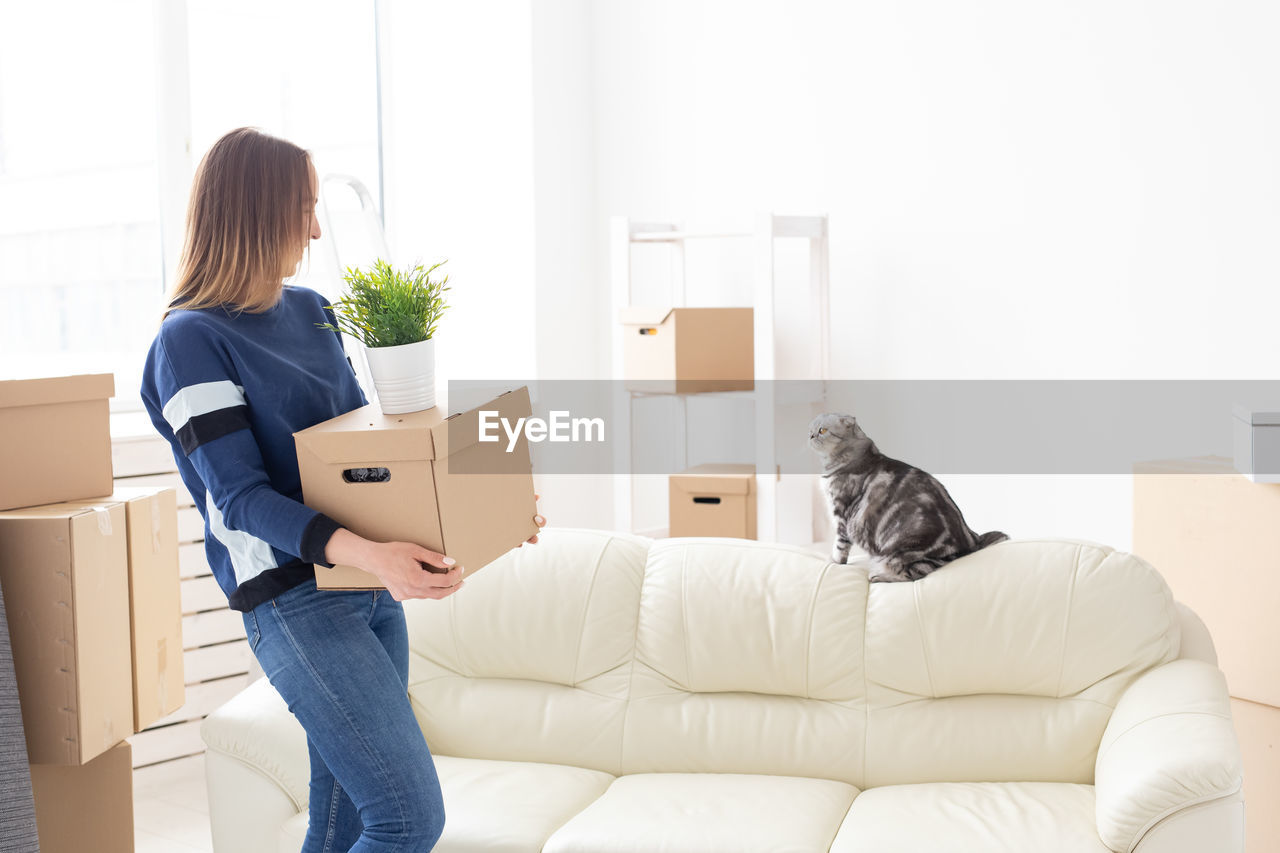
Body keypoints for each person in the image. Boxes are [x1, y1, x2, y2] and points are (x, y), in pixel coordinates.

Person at [140, 127, 544, 853]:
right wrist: (377, 556)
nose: (315, 226)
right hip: (293, 601)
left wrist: (490, 509)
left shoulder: (312, 310)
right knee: (407, 816)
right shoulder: (189, 340)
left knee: (345, 820)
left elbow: (370, 453)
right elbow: (240, 497)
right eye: (304, 206)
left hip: (364, 587)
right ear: (257, 212)